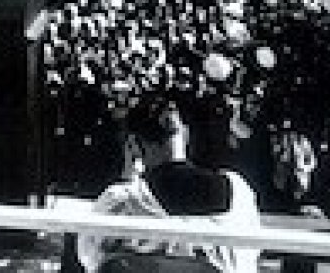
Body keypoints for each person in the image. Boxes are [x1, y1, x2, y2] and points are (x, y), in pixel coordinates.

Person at [77, 97, 261, 273]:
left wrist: (128, 175)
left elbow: (91, 258)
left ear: (133, 144)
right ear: (186, 135)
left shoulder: (119, 203)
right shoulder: (238, 194)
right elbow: (249, 254)